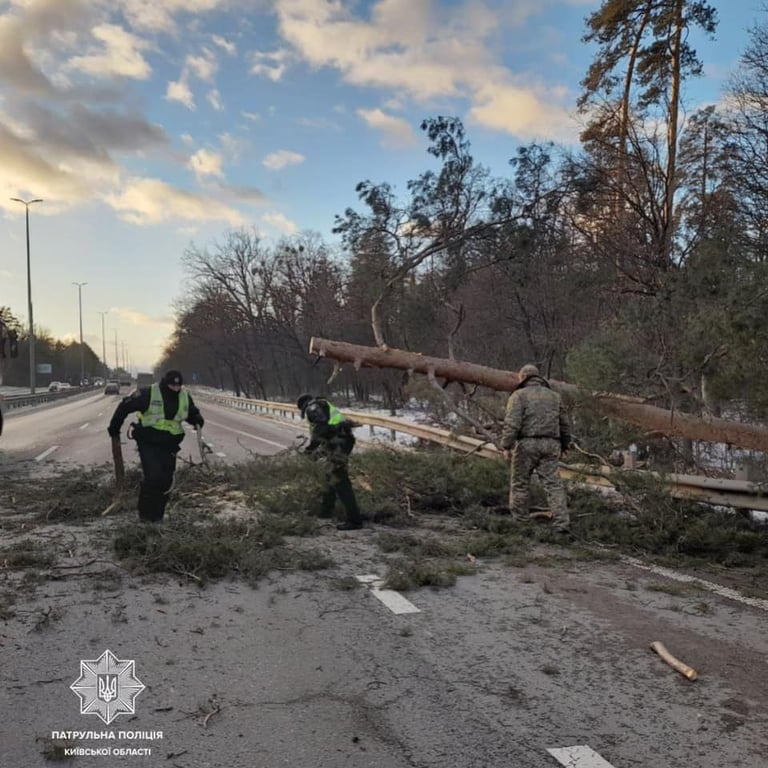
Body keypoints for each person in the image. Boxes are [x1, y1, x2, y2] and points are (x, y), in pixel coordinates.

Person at [108, 370, 204, 522]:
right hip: (149, 442)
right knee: (153, 476)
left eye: (178, 386)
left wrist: (197, 419)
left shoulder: (184, 396)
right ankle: (145, 515)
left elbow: (191, 412)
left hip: (170, 444)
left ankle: (158, 516)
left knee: (166, 480)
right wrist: (114, 428)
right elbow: (125, 406)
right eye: (172, 385)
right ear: (166, 383)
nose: (176, 389)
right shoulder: (149, 393)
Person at [500, 364, 572, 534]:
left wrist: (506, 445)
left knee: (520, 484)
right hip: (551, 444)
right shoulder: (555, 396)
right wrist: (565, 445)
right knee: (553, 485)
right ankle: (562, 524)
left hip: (527, 445)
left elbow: (512, 424)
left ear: (523, 377)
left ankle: (521, 523)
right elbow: (565, 424)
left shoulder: (518, 396)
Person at [297, 394, 364, 531]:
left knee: (340, 480)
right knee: (329, 476)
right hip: (339, 441)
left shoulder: (313, 407)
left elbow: (321, 429)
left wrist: (310, 450)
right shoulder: (321, 405)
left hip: (339, 442)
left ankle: (355, 520)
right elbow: (329, 431)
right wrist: (316, 453)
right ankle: (326, 511)